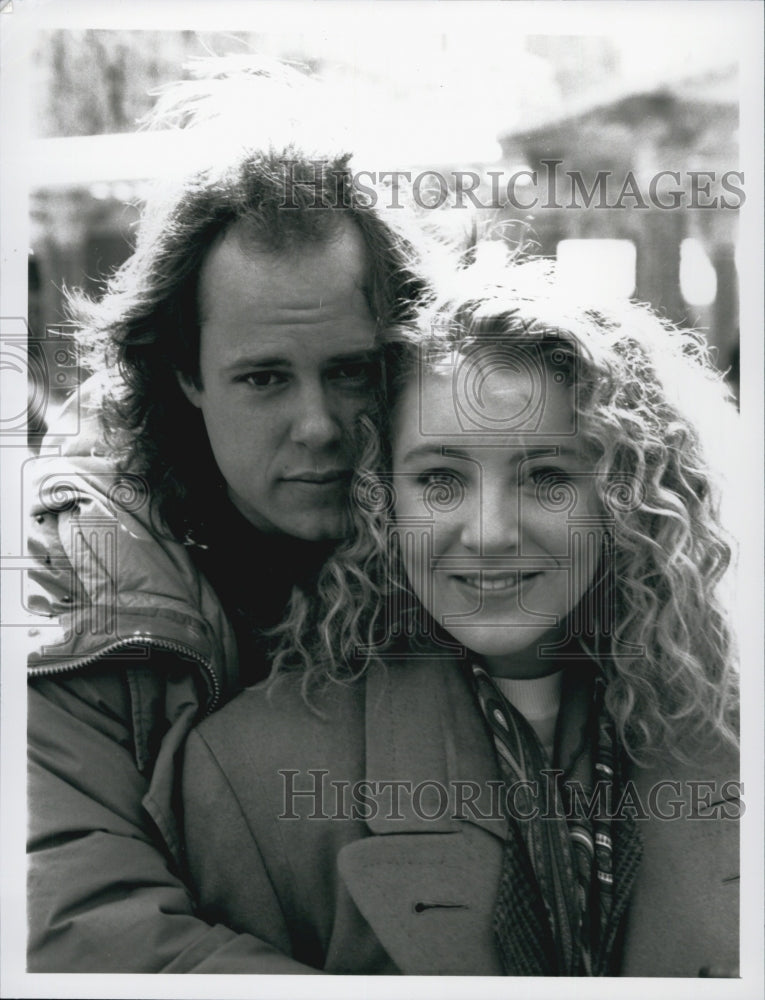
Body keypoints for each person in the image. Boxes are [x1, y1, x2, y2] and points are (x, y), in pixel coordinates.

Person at [181, 256, 740, 976]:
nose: (488, 532)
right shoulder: (245, 774)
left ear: (624, 493)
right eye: (440, 479)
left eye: (545, 477)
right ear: (383, 497)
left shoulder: (728, 728)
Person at [26, 58, 429, 972]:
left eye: (353, 370)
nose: (320, 425)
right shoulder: (69, 579)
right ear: (184, 376)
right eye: (264, 379)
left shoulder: (478, 527)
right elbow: (72, 926)